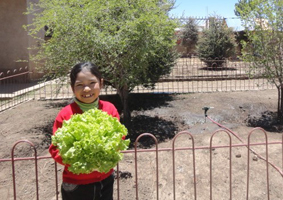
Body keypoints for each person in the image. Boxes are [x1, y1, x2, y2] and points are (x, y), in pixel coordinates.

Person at [49, 62, 119, 200]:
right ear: (72, 88)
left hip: (105, 179)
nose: (86, 89)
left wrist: (103, 161)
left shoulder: (110, 109)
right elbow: (55, 149)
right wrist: (82, 164)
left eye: (92, 83)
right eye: (80, 85)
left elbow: (118, 139)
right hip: (76, 184)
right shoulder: (65, 114)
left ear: (101, 83)